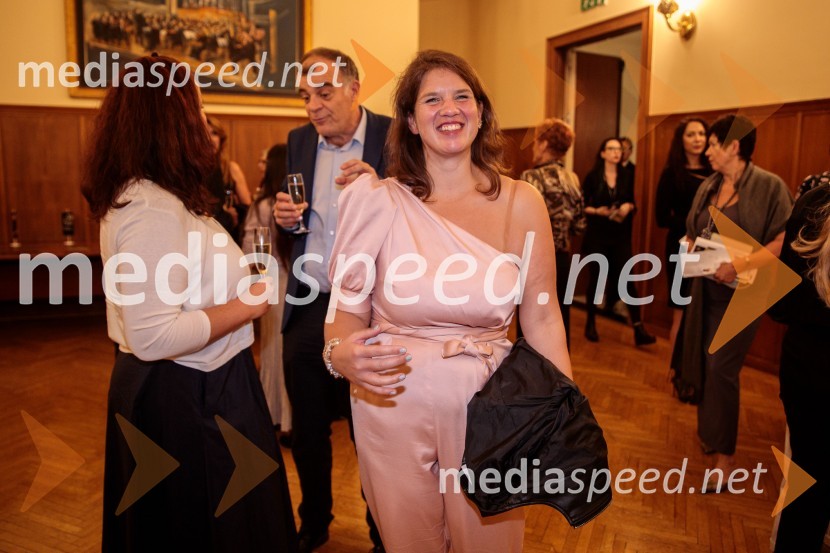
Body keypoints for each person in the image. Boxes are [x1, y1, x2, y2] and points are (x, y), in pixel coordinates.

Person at [323, 49, 574, 553]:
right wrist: (339, 354)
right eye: (432, 99)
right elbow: (345, 315)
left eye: (462, 96)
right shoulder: (379, 201)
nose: (449, 108)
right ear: (412, 121)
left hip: (493, 409)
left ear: (480, 112)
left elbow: (543, 317)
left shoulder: (522, 203)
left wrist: (561, 413)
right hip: (390, 401)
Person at [83, 55, 297, 552]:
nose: (203, 120)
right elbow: (153, 335)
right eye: (196, 108)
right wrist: (248, 305)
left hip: (200, 381)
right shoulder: (150, 209)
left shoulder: (156, 195)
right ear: (170, 118)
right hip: (183, 394)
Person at [272, 47, 391, 553]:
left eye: (324, 93)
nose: (314, 107)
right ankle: (314, 521)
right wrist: (285, 219)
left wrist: (383, 187)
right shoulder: (298, 142)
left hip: (375, 310)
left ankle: (381, 528)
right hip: (309, 303)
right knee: (308, 430)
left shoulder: (393, 136)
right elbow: (295, 223)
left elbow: (423, 209)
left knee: (374, 432)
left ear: (353, 87)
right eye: (305, 97)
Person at [673, 114, 792, 482]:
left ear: (734, 146)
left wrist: (740, 263)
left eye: (712, 144)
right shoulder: (710, 185)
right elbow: (693, 229)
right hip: (704, 290)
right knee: (704, 363)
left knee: (720, 368)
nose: (706, 150)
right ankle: (710, 436)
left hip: (743, 295)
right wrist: (690, 244)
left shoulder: (770, 187)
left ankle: (725, 461)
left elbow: (782, 238)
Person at [769, 181, 830, 552]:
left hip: (806, 372)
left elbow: (782, 305)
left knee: (807, 490)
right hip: (812, 373)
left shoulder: (814, 203)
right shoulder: (815, 204)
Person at [581, 137, 656, 346]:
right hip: (597, 234)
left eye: (619, 149)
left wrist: (628, 207)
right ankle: (590, 322)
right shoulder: (593, 177)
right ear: (603, 153)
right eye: (611, 148)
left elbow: (634, 202)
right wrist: (599, 211)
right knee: (596, 280)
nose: (616, 152)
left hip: (620, 235)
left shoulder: (628, 175)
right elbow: (581, 206)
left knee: (627, 279)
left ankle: (639, 328)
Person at [520, 118, 585, 348]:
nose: (535, 146)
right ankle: (560, 378)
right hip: (563, 259)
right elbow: (579, 225)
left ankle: (531, 377)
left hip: (535, 261)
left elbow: (519, 226)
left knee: (529, 323)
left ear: (545, 144)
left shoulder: (530, 179)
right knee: (560, 319)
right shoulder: (573, 178)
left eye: (537, 141)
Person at [242, 144, 292, 433]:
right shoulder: (296, 204)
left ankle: (273, 413)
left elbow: (251, 251)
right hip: (298, 284)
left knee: (273, 352)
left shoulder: (263, 205)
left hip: (272, 283)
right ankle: (291, 417)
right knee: (287, 351)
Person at [655, 118, 713, 348]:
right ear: (681, 140)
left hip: (711, 246)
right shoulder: (671, 173)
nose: (698, 139)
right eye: (691, 134)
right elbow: (661, 218)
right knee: (680, 308)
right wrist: (693, 226)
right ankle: (674, 372)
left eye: (701, 133)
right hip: (681, 247)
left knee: (705, 310)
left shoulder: (715, 172)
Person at [206, 115, 252, 243]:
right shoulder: (192, 169)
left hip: (229, 233)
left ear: (221, 139)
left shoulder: (230, 168)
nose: (210, 139)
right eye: (206, 133)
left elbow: (248, 207)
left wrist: (233, 213)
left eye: (214, 133)